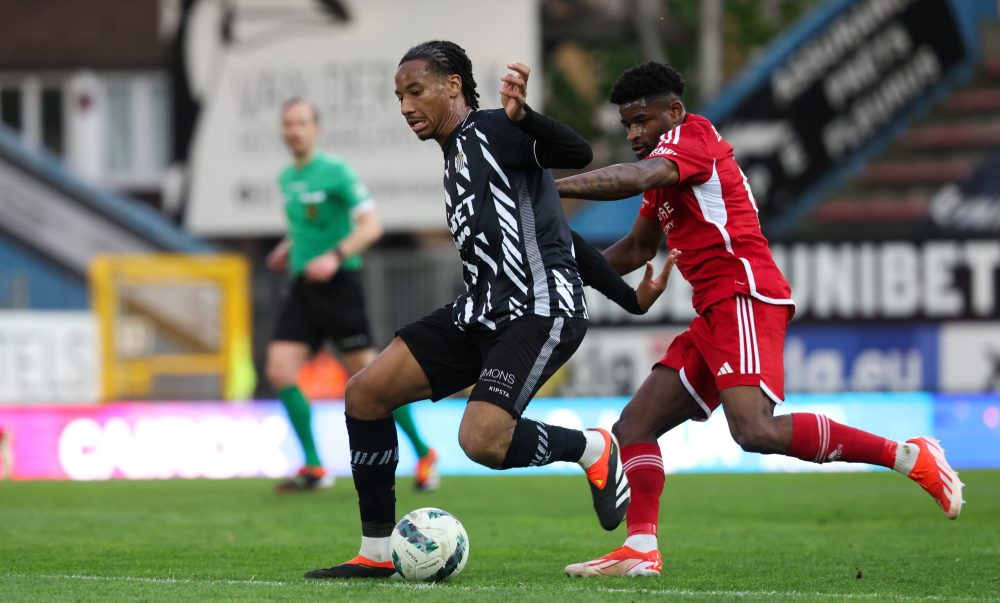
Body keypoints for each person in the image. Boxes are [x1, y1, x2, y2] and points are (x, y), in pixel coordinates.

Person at [555, 61, 965, 577]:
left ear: (674, 112)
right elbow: (637, 249)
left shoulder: (693, 138)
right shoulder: (662, 170)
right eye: (626, 126)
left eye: (642, 120)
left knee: (754, 430)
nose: (634, 133)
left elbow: (635, 176)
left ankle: (908, 456)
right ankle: (640, 547)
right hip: (713, 310)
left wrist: (554, 189)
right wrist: (560, 274)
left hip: (743, 295)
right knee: (635, 425)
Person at [304, 40, 675, 580]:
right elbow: (560, 235)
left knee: (481, 441)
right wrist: (630, 298)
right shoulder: (456, 155)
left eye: (415, 91)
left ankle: (592, 447)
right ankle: (376, 553)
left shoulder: (498, 129)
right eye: (398, 96)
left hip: (538, 309)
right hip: (478, 311)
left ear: (453, 85)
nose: (406, 106)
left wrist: (526, 118)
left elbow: (577, 153)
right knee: (365, 393)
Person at [267, 98, 440, 493]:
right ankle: (313, 465)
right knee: (279, 369)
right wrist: (287, 248)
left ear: (316, 129)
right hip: (302, 289)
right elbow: (303, 228)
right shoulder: (287, 178)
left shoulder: (336, 172)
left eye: (302, 123)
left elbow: (371, 225)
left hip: (340, 287)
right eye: (288, 124)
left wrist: (336, 255)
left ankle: (425, 452)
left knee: (374, 383)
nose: (294, 130)